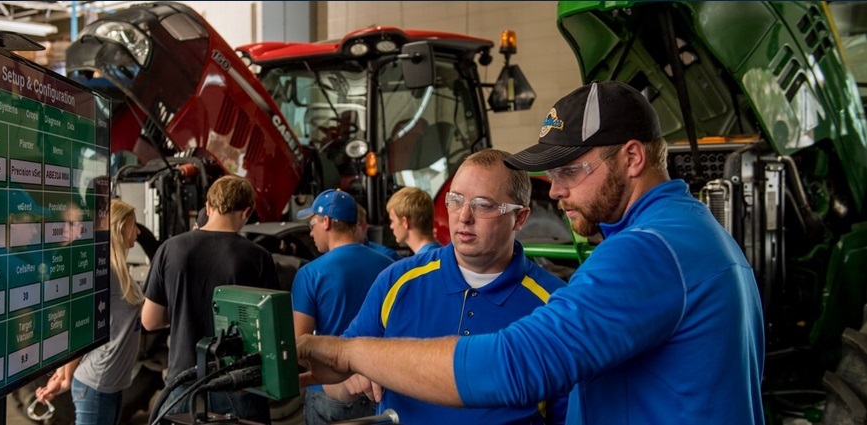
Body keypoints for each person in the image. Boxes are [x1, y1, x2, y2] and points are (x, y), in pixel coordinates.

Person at [296, 81, 765, 424]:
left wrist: (350, 350)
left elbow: (510, 367)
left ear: (633, 158)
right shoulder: (695, 230)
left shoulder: (647, 251)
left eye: (570, 172)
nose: (556, 192)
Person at [327, 149, 567, 425]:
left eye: (483, 204)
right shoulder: (398, 282)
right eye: (456, 200)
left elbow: (568, 413)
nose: (464, 216)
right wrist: (351, 375)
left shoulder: (555, 305)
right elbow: (334, 381)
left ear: (520, 218)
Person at [142, 175, 280, 422]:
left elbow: (150, 321)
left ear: (208, 207)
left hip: (184, 383)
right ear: (246, 212)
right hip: (238, 383)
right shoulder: (258, 257)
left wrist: (183, 315)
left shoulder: (170, 249)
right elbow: (272, 328)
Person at [35, 199, 144, 425]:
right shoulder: (104, 273)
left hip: (112, 383)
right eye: (134, 225)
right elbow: (79, 326)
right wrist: (64, 378)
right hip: (95, 384)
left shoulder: (120, 273)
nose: (139, 231)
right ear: (120, 227)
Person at [292, 189, 395, 425]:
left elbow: (301, 346)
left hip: (330, 393)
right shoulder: (391, 267)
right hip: (381, 387)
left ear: (326, 222)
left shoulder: (310, 274)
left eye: (312, 223)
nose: (310, 232)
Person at [385, 186, 442, 255]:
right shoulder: (443, 253)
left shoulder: (421, 262)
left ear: (405, 222)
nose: (391, 226)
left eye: (392, 221)